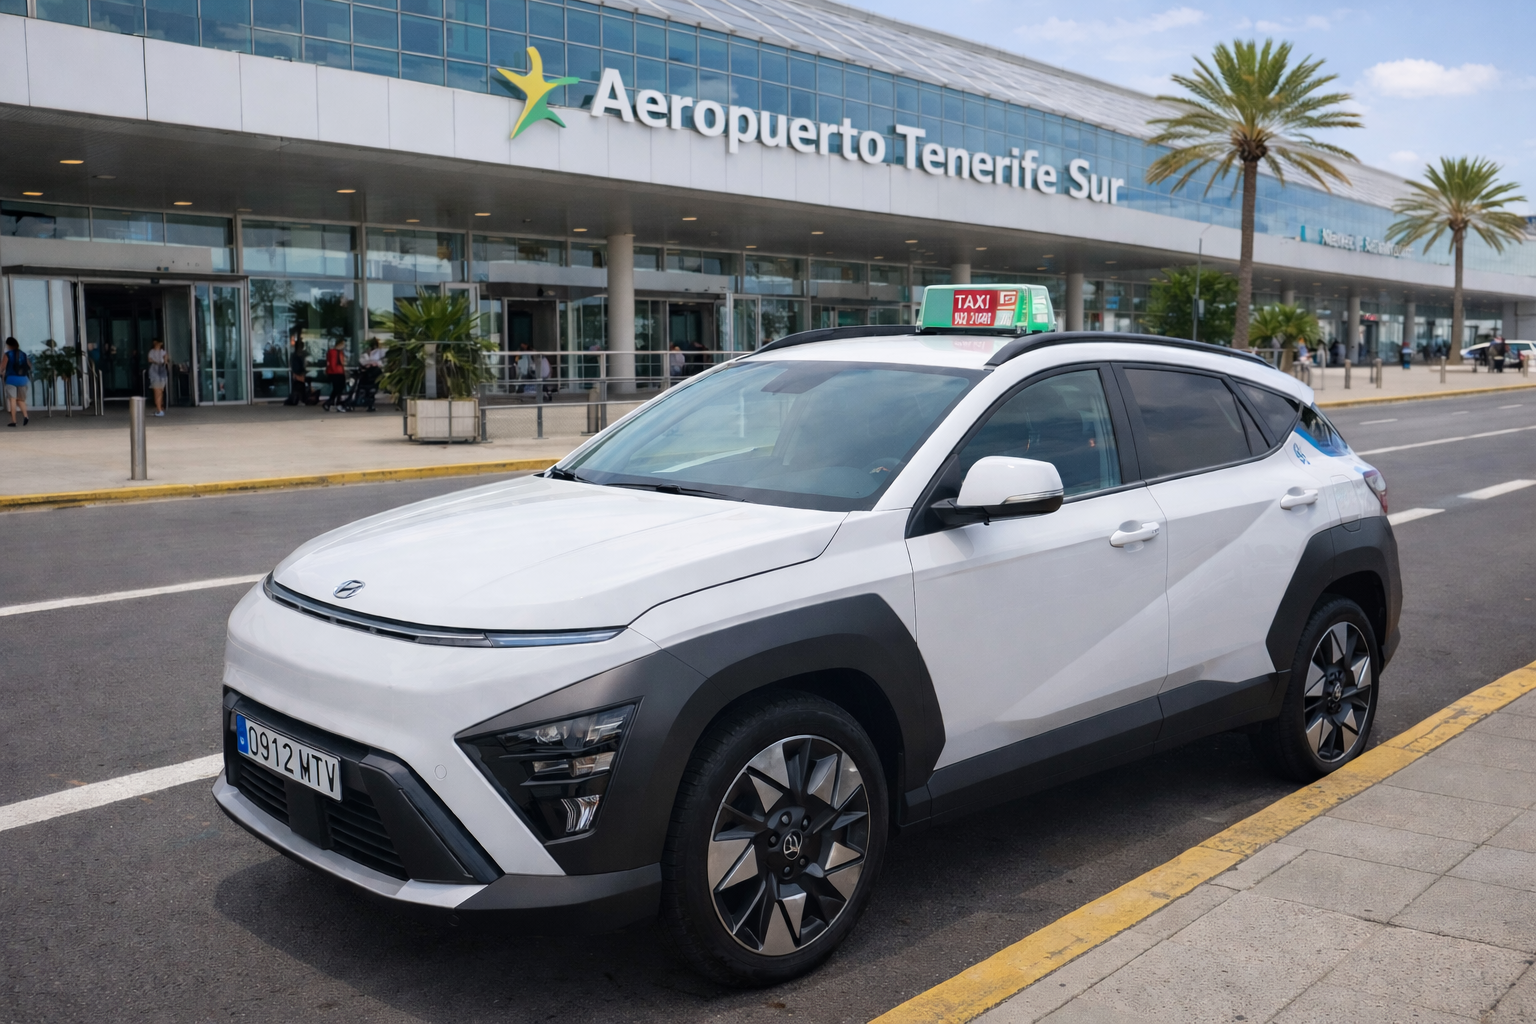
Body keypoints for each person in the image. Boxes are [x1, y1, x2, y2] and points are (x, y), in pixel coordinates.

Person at [2, 337, 29, 427]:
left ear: (9, 345)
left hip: (11, 379)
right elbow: (29, 366)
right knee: (21, 400)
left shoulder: (8, 354)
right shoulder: (23, 354)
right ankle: (25, 416)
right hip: (23, 379)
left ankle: (14, 421)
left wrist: (1, 374)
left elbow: (2, 366)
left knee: (12, 400)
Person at [357, 339, 385, 412]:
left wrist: (375, 364)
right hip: (366, 376)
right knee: (366, 390)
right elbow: (362, 364)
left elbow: (380, 364)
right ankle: (367, 404)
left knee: (372, 391)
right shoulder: (364, 356)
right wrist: (367, 365)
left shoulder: (376, 355)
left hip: (373, 375)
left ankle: (370, 405)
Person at [322, 339, 348, 411]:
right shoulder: (333, 352)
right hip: (335, 372)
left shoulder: (340, 352)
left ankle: (332, 402)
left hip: (339, 372)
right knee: (338, 388)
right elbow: (332, 363)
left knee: (338, 388)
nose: (343, 346)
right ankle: (334, 402)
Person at [284, 329, 308, 406]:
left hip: (299, 373)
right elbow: (294, 365)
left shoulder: (299, 355)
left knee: (300, 388)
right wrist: (296, 374)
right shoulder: (295, 356)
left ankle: (299, 400)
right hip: (297, 374)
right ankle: (297, 400)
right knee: (298, 388)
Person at [146, 338, 169, 416]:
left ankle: (160, 409)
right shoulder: (152, 352)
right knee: (157, 391)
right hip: (156, 371)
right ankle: (159, 409)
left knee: (160, 391)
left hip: (161, 371)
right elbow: (150, 360)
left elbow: (166, 359)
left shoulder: (163, 352)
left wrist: (164, 360)